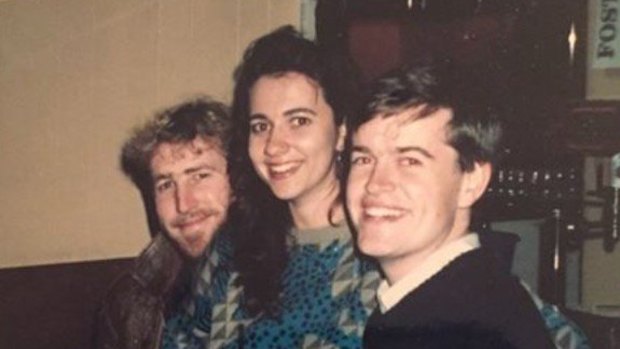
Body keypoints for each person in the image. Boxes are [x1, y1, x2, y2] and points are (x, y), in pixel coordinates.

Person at [162, 25, 381, 349]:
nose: (274, 146)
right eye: (261, 126)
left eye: (299, 121)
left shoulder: (377, 249)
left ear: (343, 131)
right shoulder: (230, 248)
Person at [345, 62, 555, 348]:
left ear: (471, 182)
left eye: (409, 160)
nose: (374, 183)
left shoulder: (464, 327)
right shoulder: (441, 302)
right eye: (364, 159)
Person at [94, 97, 233, 349]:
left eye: (200, 176)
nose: (183, 204)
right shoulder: (128, 302)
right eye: (166, 185)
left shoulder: (301, 278)